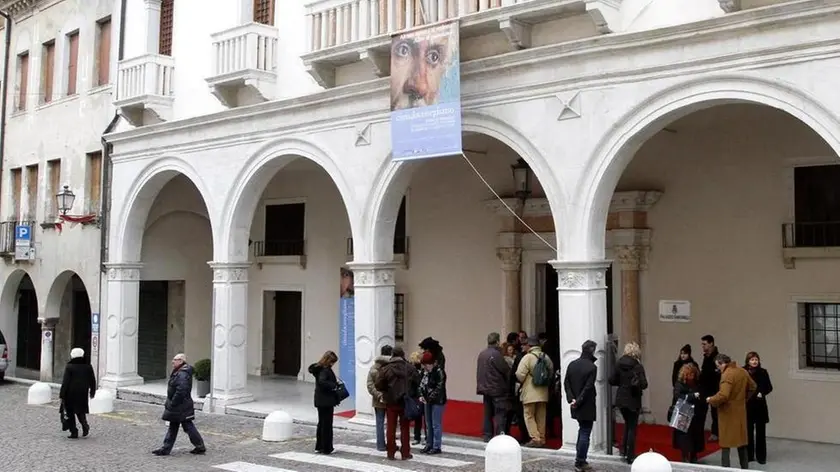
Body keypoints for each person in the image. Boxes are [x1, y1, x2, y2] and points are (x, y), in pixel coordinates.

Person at [706, 353, 756, 469]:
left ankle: (725, 469)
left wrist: (711, 400)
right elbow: (753, 386)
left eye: (717, 366)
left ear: (721, 363)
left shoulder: (727, 375)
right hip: (740, 411)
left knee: (725, 445)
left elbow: (723, 395)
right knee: (742, 443)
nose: (717, 369)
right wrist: (744, 399)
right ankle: (745, 468)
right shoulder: (742, 371)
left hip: (727, 413)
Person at [152, 354, 206, 456]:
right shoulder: (180, 372)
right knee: (177, 426)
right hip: (181, 405)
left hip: (180, 406)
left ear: (181, 361)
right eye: (173, 359)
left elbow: (181, 390)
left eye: (175, 360)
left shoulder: (182, 374)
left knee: (187, 426)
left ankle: (199, 446)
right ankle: (166, 449)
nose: (173, 361)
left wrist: (173, 403)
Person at [376, 346, 421, 461]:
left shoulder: (386, 368)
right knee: (405, 427)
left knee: (391, 427)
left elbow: (378, 384)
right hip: (405, 401)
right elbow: (417, 381)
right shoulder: (410, 368)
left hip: (391, 401)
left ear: (392, 355)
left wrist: (387, 390)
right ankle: (405, 452)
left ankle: (390, 452)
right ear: (402, 355)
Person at [609, 342, 648, 464]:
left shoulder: (619, 363)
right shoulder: (637, 366)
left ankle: (623, 450)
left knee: (627, 424)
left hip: (621, 398)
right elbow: (644, 384)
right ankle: (630, 455)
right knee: (632, 427)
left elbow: (612, 380)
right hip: (633, 399)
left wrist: (622, 383)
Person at [564, 340, 598, 472]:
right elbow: (588, 387)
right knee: (585, 431)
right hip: (586, 403)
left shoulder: (572, 364)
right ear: (592, 351)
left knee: (582, 430)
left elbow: (566, 382)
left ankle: (580, 458)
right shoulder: (592, 367)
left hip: (575, 403)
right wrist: (578, 400)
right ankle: (581, 460)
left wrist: (571, 398)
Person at [516, 336, 554, 448]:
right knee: (541, 415)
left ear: (529, 345)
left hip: (530, 391)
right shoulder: (545, 357)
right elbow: (550, 372)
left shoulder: (527, 357)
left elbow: (520, 374)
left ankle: (535, 438)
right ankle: (542, 438)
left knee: (529, 415)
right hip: (543, 391)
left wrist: (525, 380)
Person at [476, 332, 510, 442]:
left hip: (485, 388)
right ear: (497, 341)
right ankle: (500, 434)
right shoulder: (496, 355)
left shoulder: (482, 354)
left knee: (487, 413)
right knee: (500, 413)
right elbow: (505, 370)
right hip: (497, 388)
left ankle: (487, 435)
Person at [59, 347, 96, 439]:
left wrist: (62, 394)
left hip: (70, 393)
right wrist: (92, 391)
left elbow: (66, 382)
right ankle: (85, 425)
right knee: (80, 411)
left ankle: (74, 431)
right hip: (83, 392)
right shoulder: (88, 366)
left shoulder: (70, 366)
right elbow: (92, 380)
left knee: (70, 412)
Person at [671, 363, 705, 463]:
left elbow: (701, 395)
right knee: (684, 437)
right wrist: (692, 396)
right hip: (683, 412)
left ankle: (694, 456)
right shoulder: (679, 383)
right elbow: (677, 396)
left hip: (696, 413)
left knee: (695, 435)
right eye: (689, 374)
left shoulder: (697, 383)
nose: (691, 376)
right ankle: (685, 456)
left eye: (693, 374)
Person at [309, 350, 341, 455]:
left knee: (322, 424)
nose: (333, 364)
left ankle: (320, 446)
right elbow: (323, 382)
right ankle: (327, 448)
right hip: (326, 400)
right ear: (328, 361)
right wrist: (334, 385)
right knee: (326, 425)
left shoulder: (319, 369)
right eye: (332, 362)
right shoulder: (325, 370)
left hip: (321, 400)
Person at [744, 351, 773, 465]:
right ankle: (749, 455)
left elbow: (769, 387)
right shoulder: (743, 372)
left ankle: (761, 457)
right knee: (748, 431)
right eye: (752, 360)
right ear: (748, 361)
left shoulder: (763, 372)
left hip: (760, 405)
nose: (754, 361)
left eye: (756, 359)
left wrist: (762, 392)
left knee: (761, 432)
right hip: (748, 405)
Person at [419, 351, 447, 454]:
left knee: (436, 424)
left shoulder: (439, 372)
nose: (425, 367)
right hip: (427, 400)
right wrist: (421, 395)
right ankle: (429, 444)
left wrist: (429, 397)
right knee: (428, 423)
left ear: (432, 363)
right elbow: (420, 385)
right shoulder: (425, 373)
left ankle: (436, 446)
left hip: (437, 401)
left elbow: (439, 388)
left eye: (426, 365)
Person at [367, 345, 393, 451]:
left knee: (379, 422)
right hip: (391, 398)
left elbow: (369, 385)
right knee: (392, 422)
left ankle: (380, 444)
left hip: (378, 400)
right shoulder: (392, 366)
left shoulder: (374, 367)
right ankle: (391, 443)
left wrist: (378, 395)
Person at [698, 335, 721, 441]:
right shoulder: (705, 357)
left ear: (711, 343)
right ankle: (699, 431)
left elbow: (717, 373)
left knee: (715, 412)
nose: (703, 346)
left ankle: (715, 433)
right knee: (701, 411)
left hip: (714, 388)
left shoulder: (717, 357)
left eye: (704, 344)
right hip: (704, 388)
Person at [409, 350, 426, 446]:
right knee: (419, 417)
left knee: (419, 418)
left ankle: (418, 437)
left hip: (417, 396)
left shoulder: (420, 371)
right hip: (416, 396)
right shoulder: (416, 371)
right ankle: (418, 437)